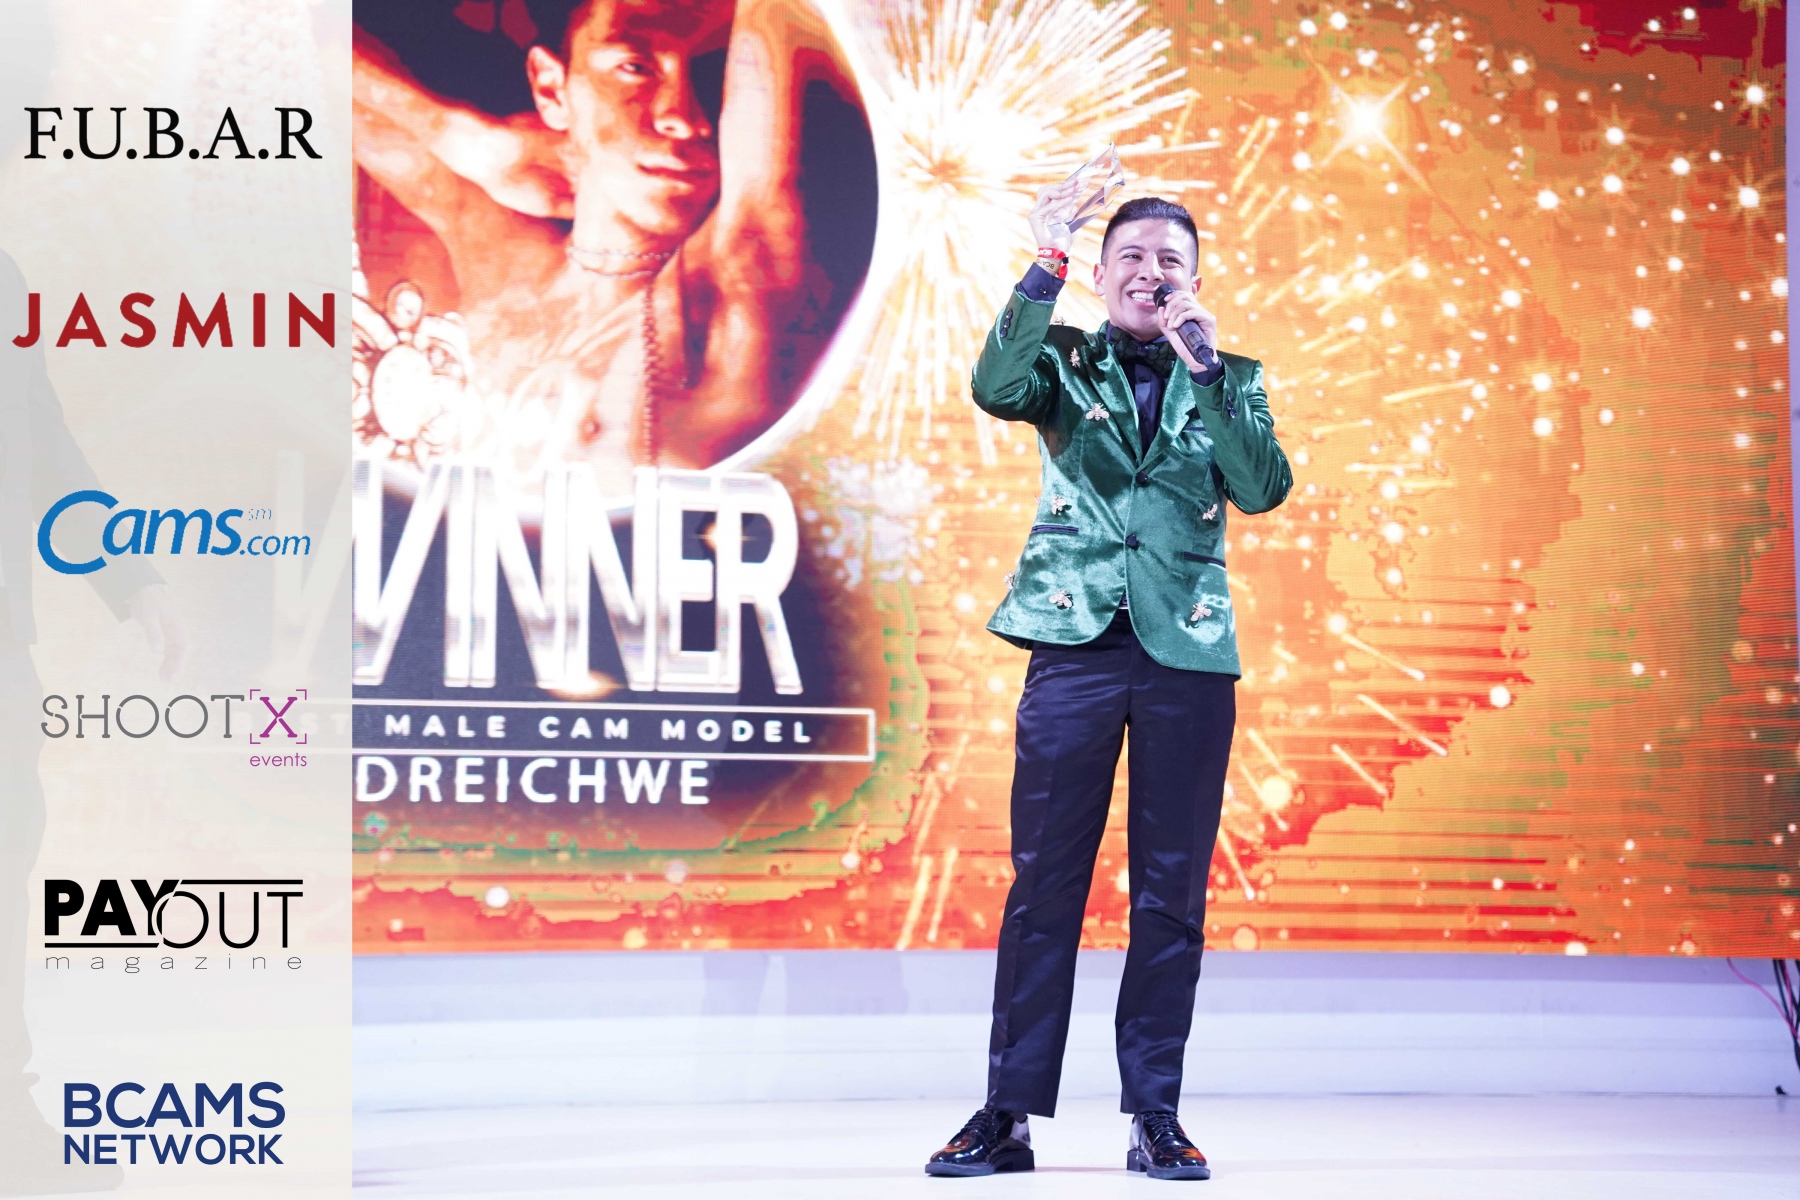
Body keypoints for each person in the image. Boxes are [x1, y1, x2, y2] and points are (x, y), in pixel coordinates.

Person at [925, 189, 1292, 1180]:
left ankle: (1156, 1115)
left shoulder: (1232, 375)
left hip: (1188, 655)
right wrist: (1043, 262)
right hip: (1072, 643)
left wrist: (1204, 369)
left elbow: (1262, 487)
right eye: (1131, 255)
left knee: (1171, 893)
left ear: (1194, 280)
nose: (1150, 273)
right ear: (1101, 273)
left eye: (1169, 260)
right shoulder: (1061, 360)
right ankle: (1006, 1114)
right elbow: (995, 384)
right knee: (1044, 884)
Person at [351, 0, 859, 488]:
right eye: (636, 67)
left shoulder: (736, 296)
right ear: (552, 90)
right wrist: (455, 132)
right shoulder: (502, 259)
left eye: (716, 70)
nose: (683, 117)